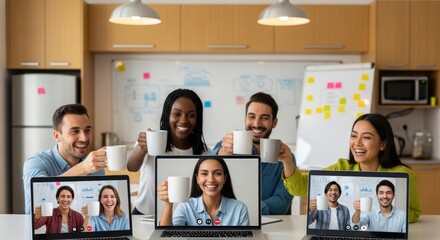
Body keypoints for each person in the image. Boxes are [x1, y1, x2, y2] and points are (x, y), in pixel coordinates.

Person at [279, 113, 422, 223]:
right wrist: (287, 160)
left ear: (382, 144)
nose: (357, 143)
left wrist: (381, 213)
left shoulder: (403, 175)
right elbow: (300, 187)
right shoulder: (342, 168)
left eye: (366, 137)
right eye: (354, 136)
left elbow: (414, 213)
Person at [127, 89, 210, 215]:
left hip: (181, 220)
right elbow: (131, 167)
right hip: (145, 215)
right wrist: (141, 147)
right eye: (177, 114)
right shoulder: (152, 141)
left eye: (191, 115)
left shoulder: (204, 153)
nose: (183, 120)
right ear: (167, 115)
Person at [210, 92, 295, 215]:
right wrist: (220, 152)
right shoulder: (225, 148)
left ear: (274, 122)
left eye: (264, 117)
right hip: (227, 220)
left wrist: (244, 209)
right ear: (245, 119)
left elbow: (282, 201)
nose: (256, 124)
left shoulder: (286, 158)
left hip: (268, 224)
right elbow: (205, 172)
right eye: (251, 116)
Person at [23, 104, 106, 214]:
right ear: (57, 136)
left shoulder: (96, 169)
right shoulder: (35, 162)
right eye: (75, 131)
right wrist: (84, 168)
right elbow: (42, 195)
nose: (84, 138)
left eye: (87, 130)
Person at [158, 157, 249, 226]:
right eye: (204, 174)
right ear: (197, 179)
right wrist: (168, 204)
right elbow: (169, 235)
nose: (211, 180)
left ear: (224, 178)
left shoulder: (240, 208)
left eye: (217, 173)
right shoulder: (186, 206)